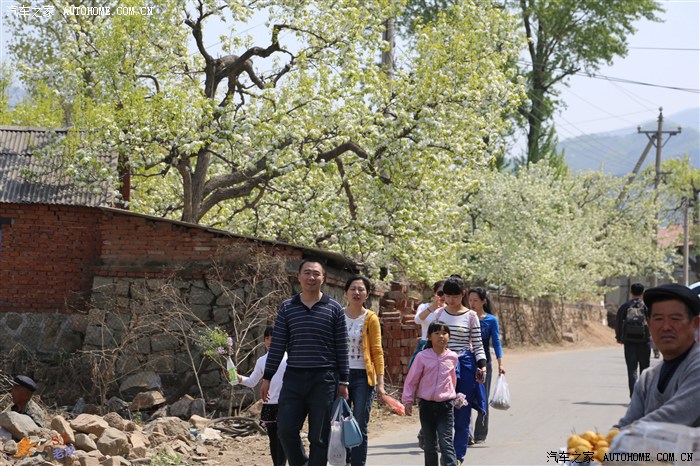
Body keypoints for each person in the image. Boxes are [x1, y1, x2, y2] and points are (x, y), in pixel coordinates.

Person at [261, 258, 349, 466]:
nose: (312, 277)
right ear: (299, 277)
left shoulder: (335, 309)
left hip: (324, 379)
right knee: (285, 429)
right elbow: (278, 345)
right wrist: (267, 376)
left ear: (323, 279)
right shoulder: (287, 307)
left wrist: (344, 381)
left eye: (316, 274)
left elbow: (341, 347)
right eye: (307, 273)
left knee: (319, 436)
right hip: (294, 378)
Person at [615, 283, 700, 428]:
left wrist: (619, 437)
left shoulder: (696, 367)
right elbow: (627, 423)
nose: (666, 326)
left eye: (675, 318)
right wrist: (601, 443)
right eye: (658, 319)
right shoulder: (647, 379)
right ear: (648, 323)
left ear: (695, 323)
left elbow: (674, 416)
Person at [426, 276, 487, 464]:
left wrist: (482, 365)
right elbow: (431, 342)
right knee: (441, 411)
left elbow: (477, 344)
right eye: (448, 296)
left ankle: (457, 457)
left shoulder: (470, 317)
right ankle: (445, 453)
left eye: (455, 296)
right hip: (441, 368)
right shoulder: (438, 315)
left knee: (462, 412)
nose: (451, 300)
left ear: (463, 294)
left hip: (465, 367)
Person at [342, 275, 385, 466]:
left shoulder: (371, 318)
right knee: (340, 421)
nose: (356, 293)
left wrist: (380, 384)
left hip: (363, 378)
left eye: (361, 289)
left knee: (360, 423)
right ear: (346, 292)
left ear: (367, 294)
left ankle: (357, 463)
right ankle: (343, 459)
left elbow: (377, 351)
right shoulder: (337, 315)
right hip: (340, 376)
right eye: (353, 288)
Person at [402, 322, 459, 466]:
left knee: (446, 443)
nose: (441, 336)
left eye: (444, 333)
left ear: (449, 337)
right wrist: (408, 400)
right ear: (429, 337)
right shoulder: (422, 357)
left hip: (446, 405)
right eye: (437, 333)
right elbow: (412, 380)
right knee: (430, 445)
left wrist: (454, 396)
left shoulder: (452, 357)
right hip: (426, 405)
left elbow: (452, 379)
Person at [237, 325, 287, 466]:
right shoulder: (261, 361)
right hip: (269, 405)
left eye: (273, 338)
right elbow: (252, 382)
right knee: (273, 438)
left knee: (283, 437)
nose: (270, 342)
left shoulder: (289, 359)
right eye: (267, 338)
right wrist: (238, 378)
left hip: (286, 404)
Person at [468, 287, 504, 445]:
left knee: (483, 397)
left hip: (484, 364)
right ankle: (467, 433)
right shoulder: (466, 317)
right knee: (465, 397)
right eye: (470, 300)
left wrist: (500, 363)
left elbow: (496, 342)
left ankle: (480, 434)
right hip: (467, 362)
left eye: (475, 300)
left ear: (483, 301)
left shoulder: (491, 320)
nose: (472, 303)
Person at [412, 279, 445, 450]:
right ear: (434, 293)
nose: (443, 296)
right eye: (440, 293)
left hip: (443, 352)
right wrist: (434, 306)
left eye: (445, 293)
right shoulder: (425, 307)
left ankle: (433, 433)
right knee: (424, 392)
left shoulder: (452, 310)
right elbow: (418, 320)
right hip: (425, 349)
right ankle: (426, 430)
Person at [615, 283, 651, 397]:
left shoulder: (625, 306)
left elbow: (618, 322)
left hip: (629, 342)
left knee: (632, 370)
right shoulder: (646, 307)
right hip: (644, 342)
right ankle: (644, 396)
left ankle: (634, 396)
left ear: (631, 292)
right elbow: (652, 322)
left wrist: (619, 337)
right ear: (643, 293)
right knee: (645, 370)